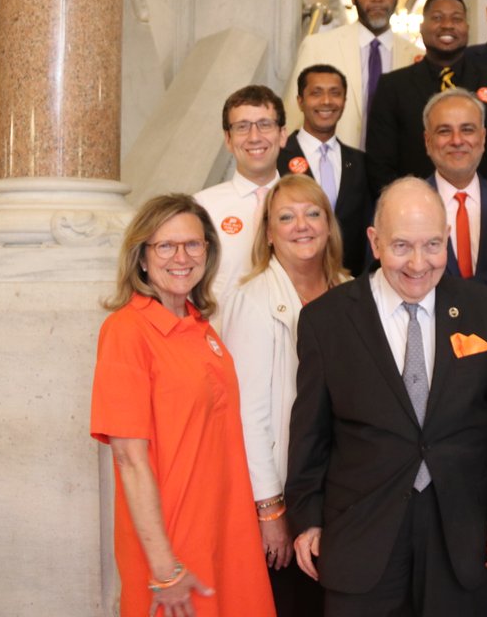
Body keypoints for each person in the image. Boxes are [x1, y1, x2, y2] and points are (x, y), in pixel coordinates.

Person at [284, 177, 487, 615]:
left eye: (432, 245)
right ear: (375, 243)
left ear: (447, 240)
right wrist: (307, 519)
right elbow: (310, 434)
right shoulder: (327, 320)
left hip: (459, 533)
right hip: (361, 535)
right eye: (402, 247)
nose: (419, 264)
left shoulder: (483, 308)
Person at [90, 194, 275, 617]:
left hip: (226, 533)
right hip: (171, 546)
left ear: (208, 252)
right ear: (141, 257)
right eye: (165, 246)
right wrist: (164, 568)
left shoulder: (199, 324)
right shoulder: (126, 331)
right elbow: (129, 460)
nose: (181, 257)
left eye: (193, 244)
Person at [221, 175, 350, 617]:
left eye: (313, 213)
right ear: (269, 233)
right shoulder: (253, 299)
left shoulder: (351, 290)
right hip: (286, 489)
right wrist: (270, 510)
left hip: (344, 489)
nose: (302, 225)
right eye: (286, 217)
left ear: (329, 225)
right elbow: (247, 414)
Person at [367, 0, 487, 190]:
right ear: (422, 27)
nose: (447, 25)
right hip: (413, 207)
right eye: (437, 18)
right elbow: (379, 162)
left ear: (466, 27)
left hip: (483, 207)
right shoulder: (393, 86)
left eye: (456, 19)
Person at [285, 0, 420, 147]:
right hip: (334, 166)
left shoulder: (417, 57)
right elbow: (293, 115)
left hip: (396, 170)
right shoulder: (318, 46)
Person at [196, 84, 287, 313]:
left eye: (265, 125)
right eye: (242, 127)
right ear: (228, 139)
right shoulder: (201, 208)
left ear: (282, 134)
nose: (254, 137)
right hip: (222, 339)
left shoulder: (307, 205)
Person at [277, 64, 374, 276]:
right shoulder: (277, 157)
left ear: (344, 102)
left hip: (349, 282)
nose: (327, 101)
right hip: (290, 279)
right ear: (300, 101)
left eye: (335, 94)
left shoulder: (361, 163)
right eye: (316, 93)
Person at [424, 89, 487, 281]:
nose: (457, 140)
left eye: (467, 129)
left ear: (483, 138)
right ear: (427, 141)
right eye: (444, 131)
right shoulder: (402, 206)